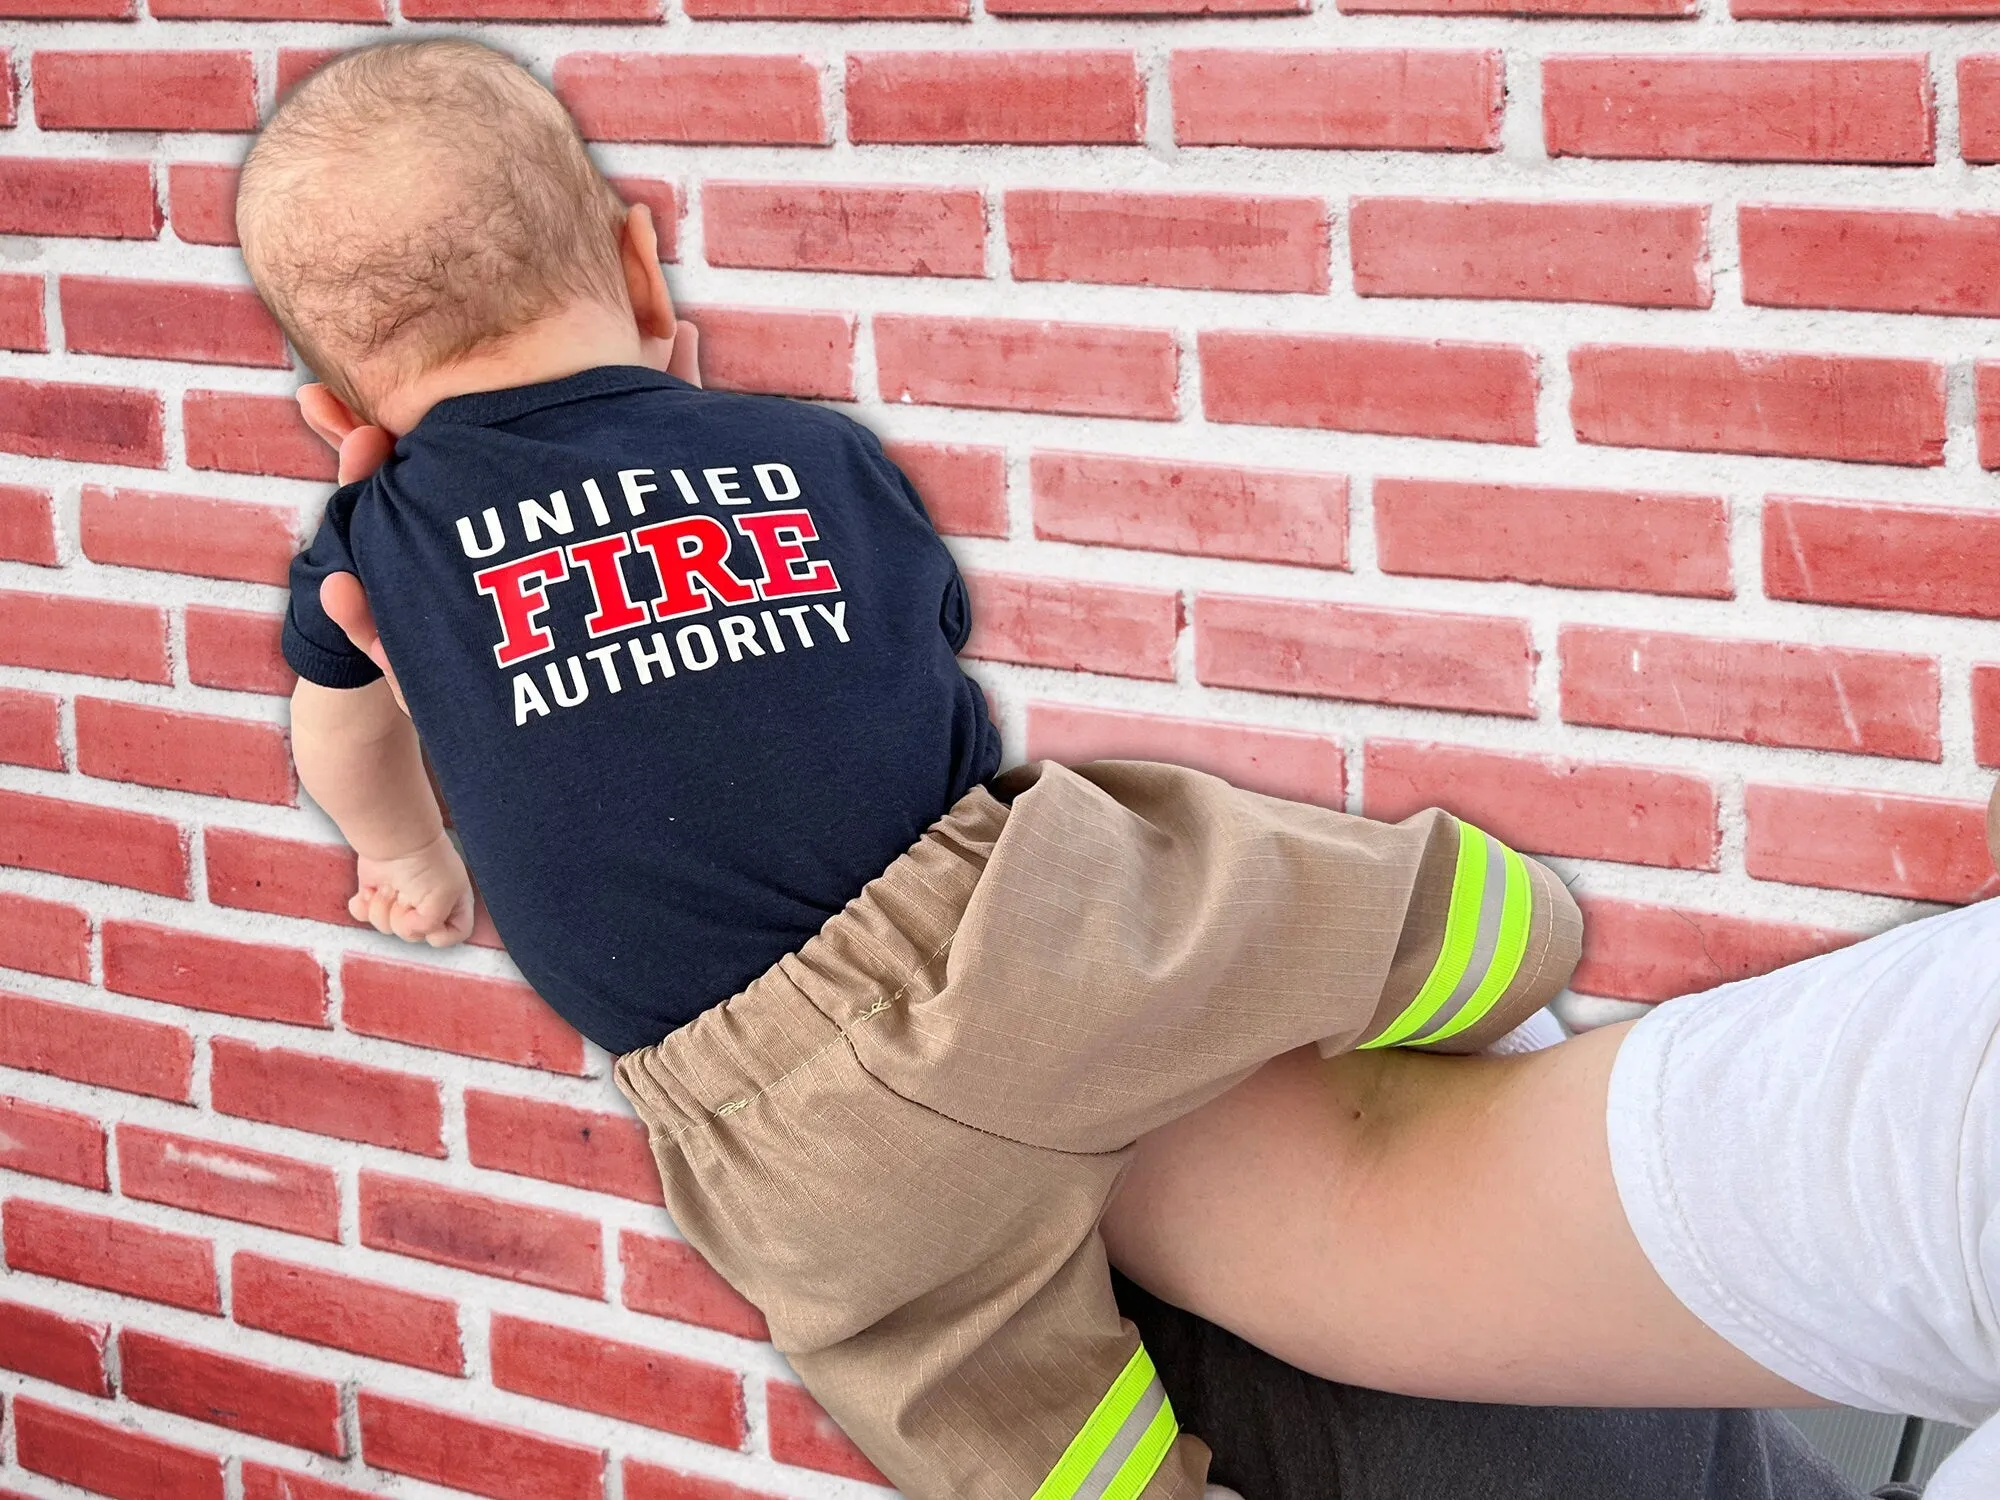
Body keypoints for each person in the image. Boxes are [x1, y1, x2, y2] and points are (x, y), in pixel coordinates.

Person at [299, 190, 1884, 1500]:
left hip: (775, 1124)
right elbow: (922, 634)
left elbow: (345, 734)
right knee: (1236, 885)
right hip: (1006, 920)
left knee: (964, 1392)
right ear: (643, 260)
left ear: (340, 408)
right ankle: (1478, 936)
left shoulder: (376, 540)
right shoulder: (802, 448)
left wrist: (417, 850)